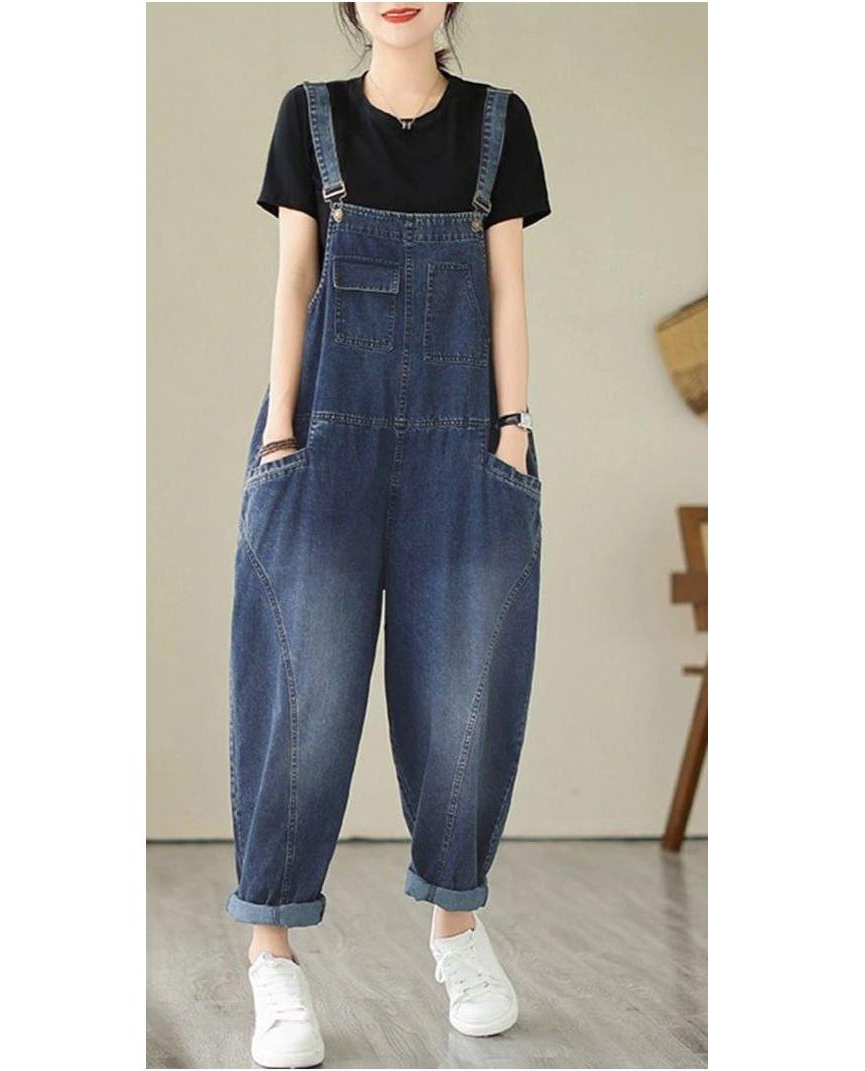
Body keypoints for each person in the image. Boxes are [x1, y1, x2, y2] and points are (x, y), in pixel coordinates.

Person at [227, 3, 550, 1065]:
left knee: (463, 696)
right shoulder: (310, 117)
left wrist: (512, 431)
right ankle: (272, 954)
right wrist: (282, 431)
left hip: (469, 445)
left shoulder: (498, 124)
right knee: (299, 696)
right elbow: (295, 279)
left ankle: (457, 928)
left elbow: (506, 285)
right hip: (321, 438)